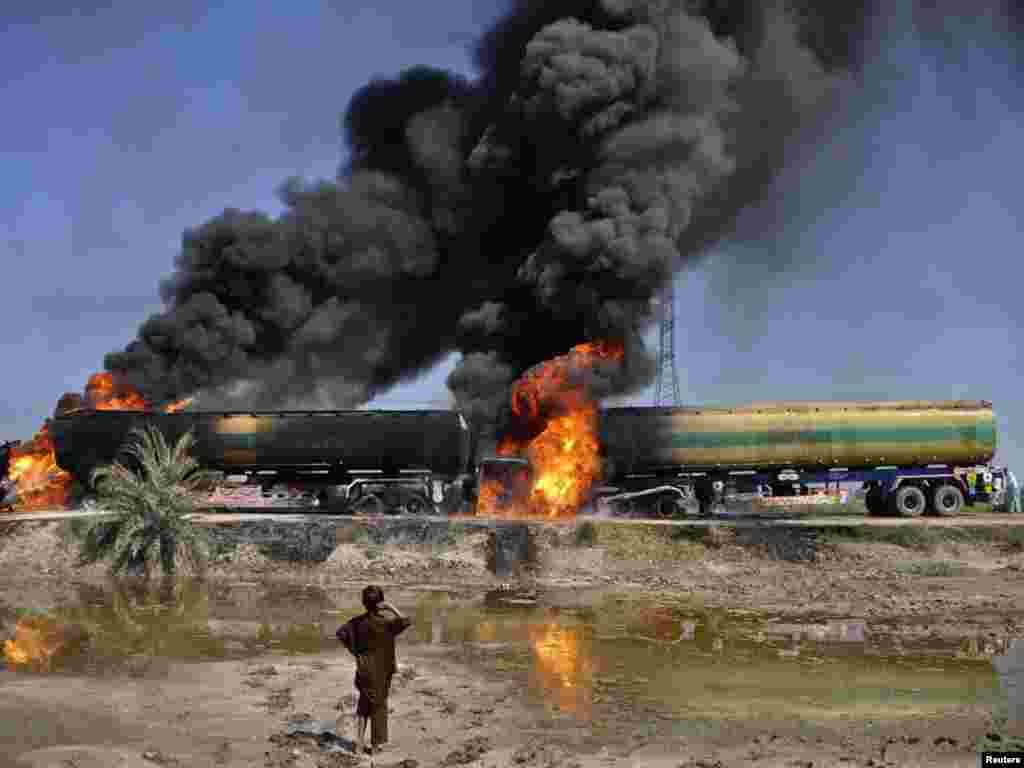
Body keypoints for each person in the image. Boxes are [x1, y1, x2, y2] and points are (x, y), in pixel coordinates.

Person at [336, 585, 412, 755]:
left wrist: (355, 652)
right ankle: (376, 747)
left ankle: (359, 745)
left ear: (364, 602)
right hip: (382, 671)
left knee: (364, 704)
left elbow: (341, 634)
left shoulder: (355, 623)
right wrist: (391, 607)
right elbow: (406, 620)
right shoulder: (385, 623)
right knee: (378, 706)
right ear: (380, 603)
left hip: (364, 669)